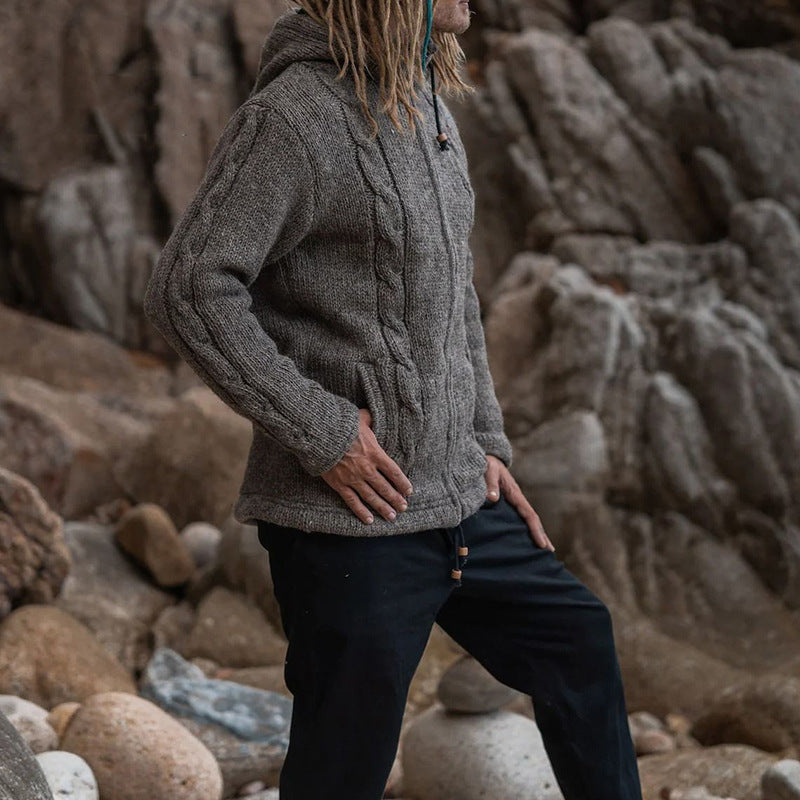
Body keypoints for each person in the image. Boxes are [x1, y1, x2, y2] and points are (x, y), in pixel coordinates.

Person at [143, 1, 644, 798]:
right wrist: (323, 430)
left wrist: (485, 439)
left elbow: (454, 294)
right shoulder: (292, 118)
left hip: (461, 497)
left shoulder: (426, 104)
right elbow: (188, 287)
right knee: (343, 767)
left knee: (577, 639)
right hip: (350, 517)